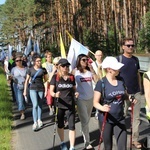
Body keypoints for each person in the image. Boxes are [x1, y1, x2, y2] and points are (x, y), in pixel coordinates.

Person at [93, 56, 136, 150]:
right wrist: (102, 108)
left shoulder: (121, 80)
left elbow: (123, 95)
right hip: (106, 119)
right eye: (116, 68)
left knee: (122, 147)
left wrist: (129, 97)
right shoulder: (101, 83)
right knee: (108, 147)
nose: (119, 69)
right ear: (109, 69)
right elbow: (95, 103)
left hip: (119, 118)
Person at [116, 37, 142, 149]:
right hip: (123, 93)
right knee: (121, 116)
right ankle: (120, 137)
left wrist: (140, 89)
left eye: (132, 45)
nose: (131, 47)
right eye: (128, 45)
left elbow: (137, 74)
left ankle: (135, 140)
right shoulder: (119, 59)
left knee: (136, 118)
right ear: (123, 47)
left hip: (136, 92)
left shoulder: (136, 60)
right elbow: (114, 76)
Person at [50, 58, 78, 150]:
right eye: (63, 66)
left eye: (67, 66)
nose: (66, 67)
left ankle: (72, 147)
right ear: (59, 67)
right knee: (60, 125)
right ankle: (62, 142)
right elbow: (51, 91)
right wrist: (55, 94)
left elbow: (74, 89)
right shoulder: (56, 77)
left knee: (72, 126)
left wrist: (76, 93)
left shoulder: (71, 77)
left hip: (70, 104)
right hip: (59, 105)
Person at [72, 54, 97, 149]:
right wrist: (74, 92)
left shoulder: (90, 71)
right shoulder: (75, 71)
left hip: (91, 98)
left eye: (87, 60)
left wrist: (93, 70)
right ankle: (87, 142)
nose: (86, 61)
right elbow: (71, 83)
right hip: (81, 99)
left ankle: (83, 130)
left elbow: (98, 81)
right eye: (83, 60)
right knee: (85, 120)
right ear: (79, 61)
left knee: (87, 120)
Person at [23, 53, 48, 131]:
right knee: (35, 104)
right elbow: (26, 81)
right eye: (37, 61)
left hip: (41, 88)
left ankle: (39, 119)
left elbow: (46, 80)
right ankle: (35, 122)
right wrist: (25, 91)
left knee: (40, 104)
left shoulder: (43, 69)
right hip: (33, 88)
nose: (39, 62)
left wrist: (46, 90)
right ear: (34, 62)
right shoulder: (30, 69)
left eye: (40, 61)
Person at [10, 53, 27, 120]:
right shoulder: (13, 69)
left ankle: (23, 108)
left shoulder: (26, 68)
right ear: (15, 62)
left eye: (19, 60)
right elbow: (10, 76)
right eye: (17, 61)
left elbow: (28, 77)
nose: (18, 62)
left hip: (25, 86)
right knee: (19, 100)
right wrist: (10, 78)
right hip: (17, 86)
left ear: (22, 60)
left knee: (25, 100)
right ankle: (22, 113)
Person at [42, 52, 56, 116]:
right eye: (49, 57)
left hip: (54, 81)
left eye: (51, 57)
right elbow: (45, 74)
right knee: (49, 96)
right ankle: (50, 108)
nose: (50, 58)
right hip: (48, 82)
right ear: (46, 58)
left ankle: (54, 106)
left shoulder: (54, 64)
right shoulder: (44, 65)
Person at [92, 50, 104, 119]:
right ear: (95, 56)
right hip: (95, 84)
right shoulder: (93, 65)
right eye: (98, 55)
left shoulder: (105, 63)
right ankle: (97, 111)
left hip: (104, 83)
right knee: (97, 98)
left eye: (101, 55)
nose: (100, 56)